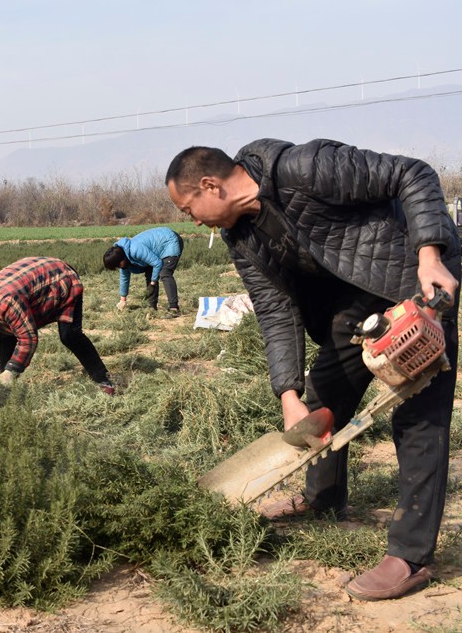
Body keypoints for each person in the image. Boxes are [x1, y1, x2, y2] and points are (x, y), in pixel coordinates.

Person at [165, 139, 460, 601]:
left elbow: (413, 173)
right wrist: (288, 393)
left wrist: (430, 255)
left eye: (189, 208)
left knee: (417, 411)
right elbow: (274, 310)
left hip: (411, 273)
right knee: (323, 396)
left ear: (210, 186)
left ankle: (411, 556)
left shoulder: (303, 168)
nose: (192, 219)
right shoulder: (241, 237)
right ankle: (323, 499)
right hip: (356, 296)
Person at [0, 256, 115, 394]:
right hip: (32, 280)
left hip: (61, 280)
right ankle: (6, 390)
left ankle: (103, 380)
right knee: (5, 331)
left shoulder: (6, 301)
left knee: (70, 336)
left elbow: (28, 338)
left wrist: (12, 370)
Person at [102, 226, 184, 316]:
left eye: (118, 265)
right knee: (150, 273)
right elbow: (124, 279)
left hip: (169, 240)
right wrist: (123, 300)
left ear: (120, 259)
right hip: (157, 250)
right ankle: (152, 308)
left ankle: (174, 309)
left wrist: (153, 282)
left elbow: (157, 263)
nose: (119, 267)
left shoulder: (135, 250)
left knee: (165, 273)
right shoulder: (123, 259)